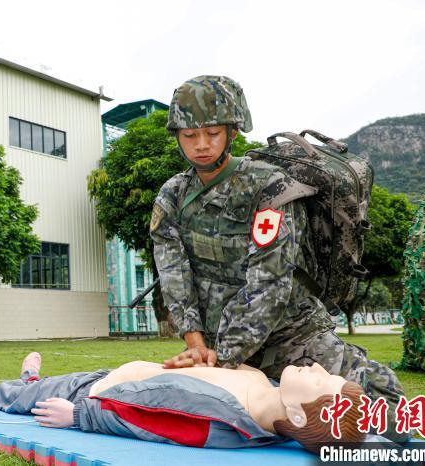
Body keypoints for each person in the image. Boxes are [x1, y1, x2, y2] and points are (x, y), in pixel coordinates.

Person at [151, 75, 409, 442]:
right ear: (177, 136)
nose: (201, 145)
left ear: (233, 131)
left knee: (390, 413)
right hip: (212, 343)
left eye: (212, 133)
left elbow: (270, 281)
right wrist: (197, 348)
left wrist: (222, 359)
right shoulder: (172, 197)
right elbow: (174, 276)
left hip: (289, 334)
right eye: (190, 136)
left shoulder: (268, 187)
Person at [0, 353, 366, 454]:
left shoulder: (225, 422)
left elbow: (152, 422)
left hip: (101, 395)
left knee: (28, 400)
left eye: (322, 382)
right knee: (41, 388)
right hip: (122, 377)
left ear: (297, 414)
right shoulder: (268, 389)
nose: (317, 367)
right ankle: (32, 380)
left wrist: (79, 415)